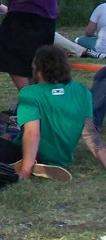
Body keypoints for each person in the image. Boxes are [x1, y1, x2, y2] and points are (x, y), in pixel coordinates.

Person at [12, 45, 106, 180]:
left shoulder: (30, 93)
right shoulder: (82, 91)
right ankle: (42, 164)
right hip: (63, 160)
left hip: (30, 153)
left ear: (38, 68)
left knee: (3, 135)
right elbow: (90, 134)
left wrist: (25, 171)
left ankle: (32, 164)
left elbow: (33, 132)